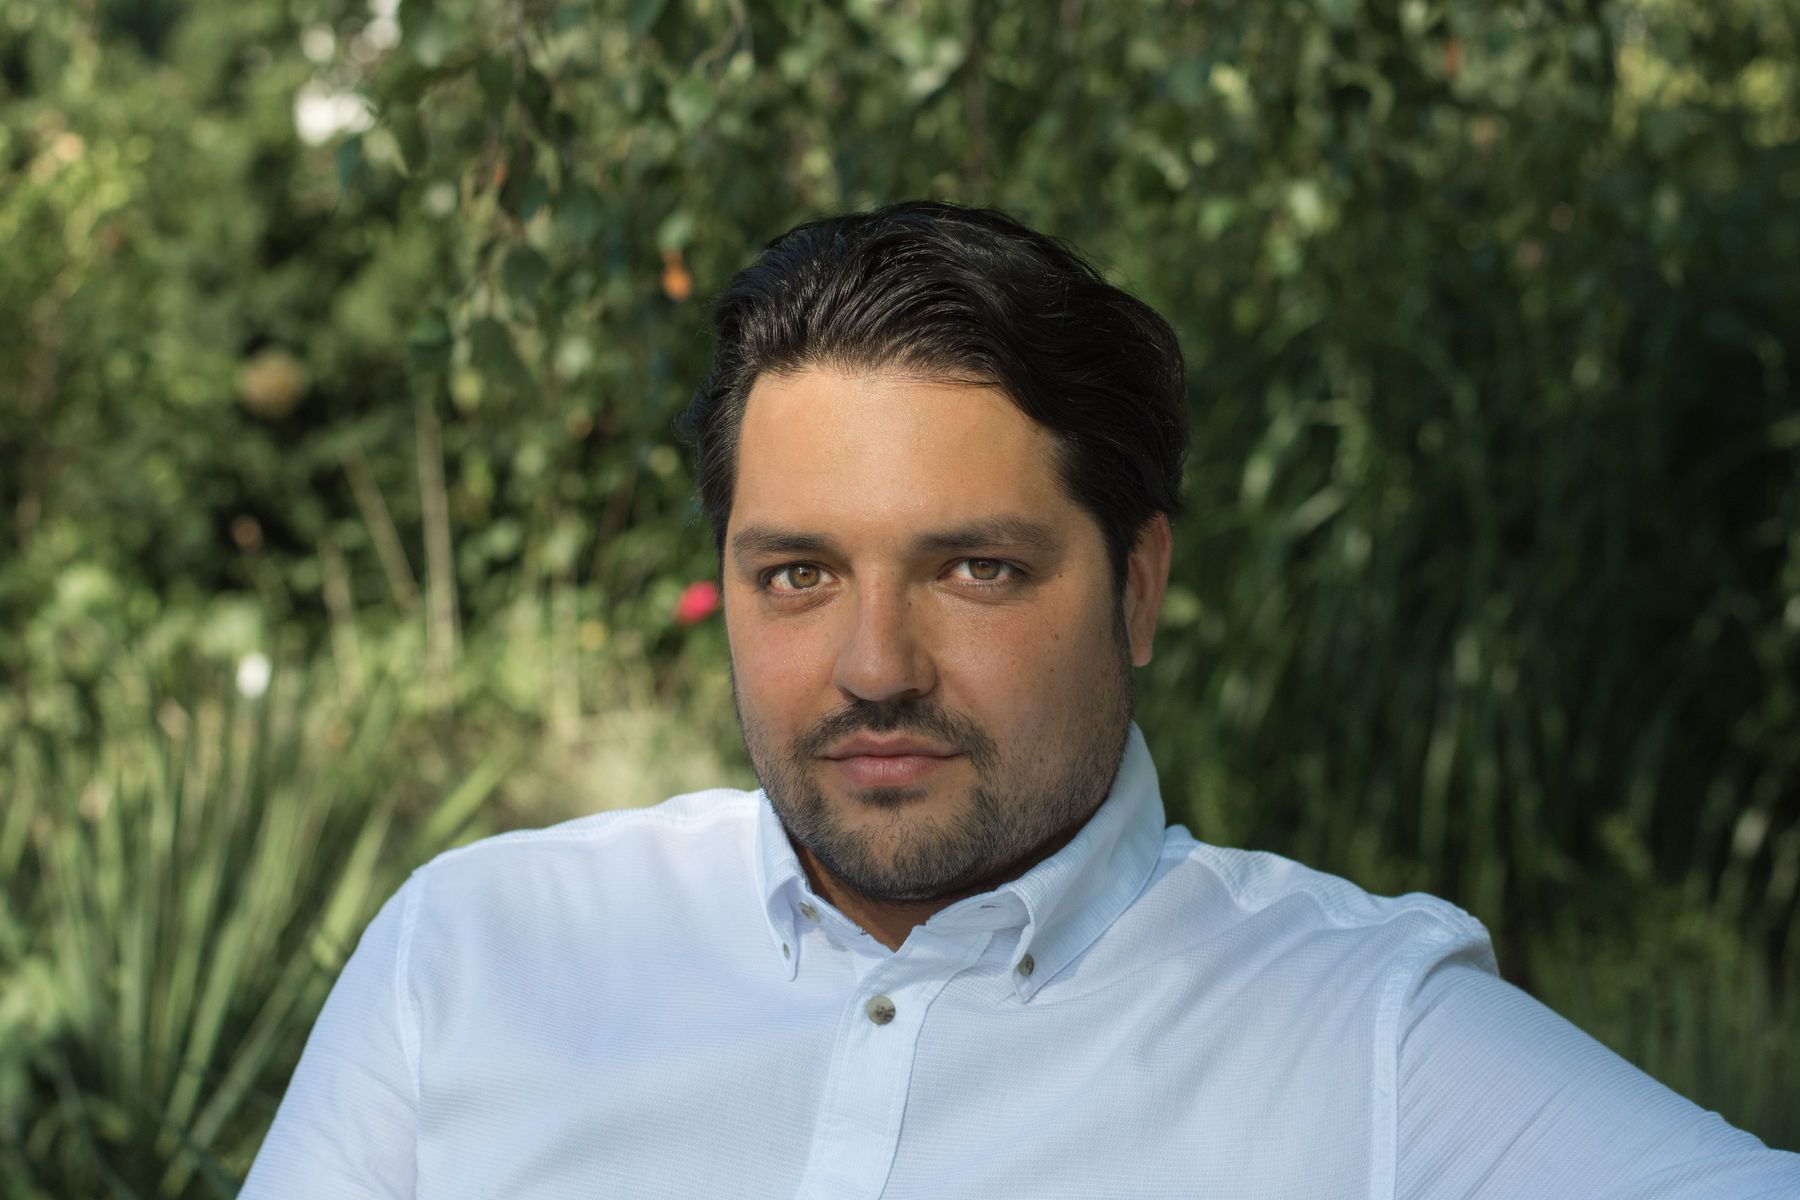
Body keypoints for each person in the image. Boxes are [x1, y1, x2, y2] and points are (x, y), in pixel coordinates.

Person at [241, 202, 1800, 1199]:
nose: (874, 666)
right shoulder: (476, 958)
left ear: (1138, 585)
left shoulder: (1357, 1040)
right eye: (798, 574)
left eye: (975, 569)